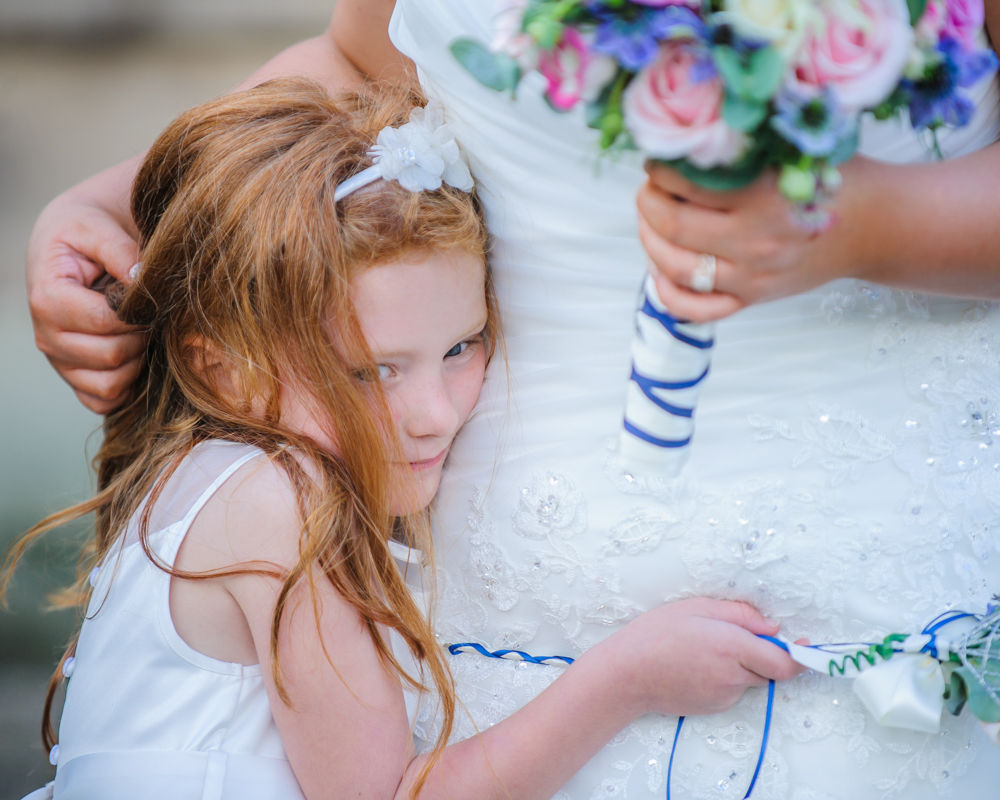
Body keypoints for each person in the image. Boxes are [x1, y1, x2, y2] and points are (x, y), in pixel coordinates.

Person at [23, 2, 1000, 797]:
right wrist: (126, 207)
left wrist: (864, 222)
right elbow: (355, 57)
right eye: (375, 372)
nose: (430, 404)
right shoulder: (285, 518)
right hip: (465, 613)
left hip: (856, 594)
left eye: (459, 353)